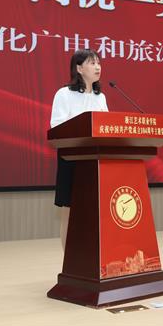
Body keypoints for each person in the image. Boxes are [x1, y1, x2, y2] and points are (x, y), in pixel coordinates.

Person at [50, 49, 108, 250]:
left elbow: (107, 128)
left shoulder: (101, 97)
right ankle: (69, 260)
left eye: (98, 63)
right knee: (69, 211)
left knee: (94, 210)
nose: (98, 67)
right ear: (79, 68)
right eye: (92, 63)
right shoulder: (64, 94)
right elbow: (56, 127)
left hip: (96, 160)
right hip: (72, 159)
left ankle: (91, 257)